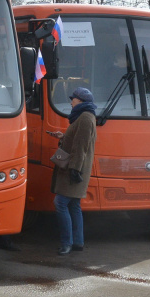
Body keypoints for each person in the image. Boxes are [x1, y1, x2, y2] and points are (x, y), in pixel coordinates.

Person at [52, 86, 97, 255]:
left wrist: (75, 169)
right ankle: (77, 242)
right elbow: (78, 140)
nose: (71, 102)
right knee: (74, 205)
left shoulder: (85, 117)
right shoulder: (84, 117)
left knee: (60, 203)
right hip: (76, 167)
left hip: (75, 169)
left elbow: (81, 146)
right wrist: (63, 137)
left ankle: (66, 243)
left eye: (74, 99)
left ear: (81, 101)